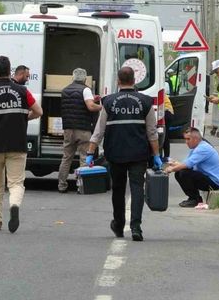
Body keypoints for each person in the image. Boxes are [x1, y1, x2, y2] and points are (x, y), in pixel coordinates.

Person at [86, 67, 161, 242]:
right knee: (137, 189)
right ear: (135, 80)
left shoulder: (108, 101)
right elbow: (152, 133)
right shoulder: (146, 102)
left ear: (118, 81)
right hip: (139, 154)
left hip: (115, 153)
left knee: (118, 190)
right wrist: (156, 155)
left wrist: (90, 152)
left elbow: (99, 131)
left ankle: (119, 225)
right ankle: (136, 227)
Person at [0, 56, 42, 233]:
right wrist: (24, 116)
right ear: (10, 71)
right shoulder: (22, 91)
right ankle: (14, 205)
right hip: (17, 143)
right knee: (16, 182)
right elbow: (39, 111)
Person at [57, 68, 102, 193]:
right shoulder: (86, 89)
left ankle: (62, 185)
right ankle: (81, 186)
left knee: (66, 158)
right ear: (85, 78)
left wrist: (92, 98)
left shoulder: (65, 90)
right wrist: (101, 106)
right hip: (82, 129)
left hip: (68, 129)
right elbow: (90, 106)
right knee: (84, 157)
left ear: (73, 77)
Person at [164, 127, 219, 207]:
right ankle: (193, 198)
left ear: (195, 139)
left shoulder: (202, 148)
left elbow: (187, 165)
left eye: (188, 139)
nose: (186, 142)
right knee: (179, 172)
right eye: (185, 139)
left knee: (183, 173)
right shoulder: (197, 147)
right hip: (206, 178)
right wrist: (173, 163)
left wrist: (170, 169)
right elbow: (186, 164)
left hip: (214, 183)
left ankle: (195, 199)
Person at [162, 93, 175, 161]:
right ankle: (166, 156)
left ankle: (165, 156)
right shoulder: (163, 92)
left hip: (166, 113)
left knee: (163, 135)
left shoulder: (159, 91)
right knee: (165, 135)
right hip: (169, 112)